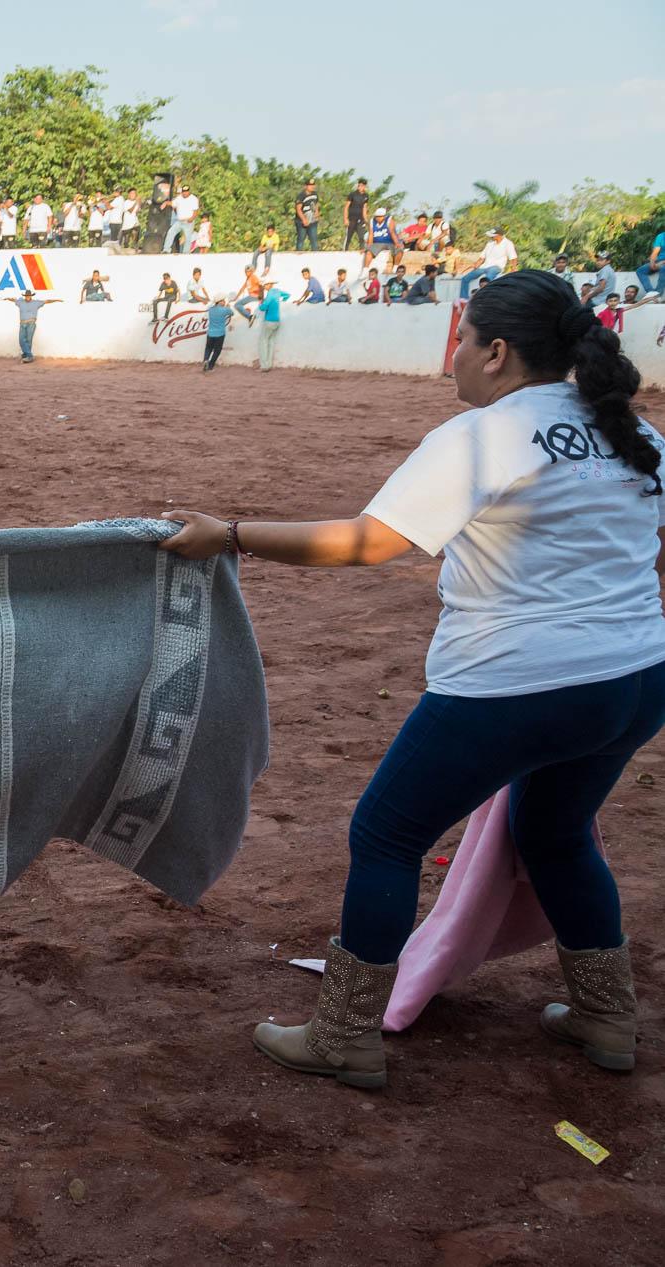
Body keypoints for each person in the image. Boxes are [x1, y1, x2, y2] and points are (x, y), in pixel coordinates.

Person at [160, 269, 663, 1087]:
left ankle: (345, 1034)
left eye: (461, 339)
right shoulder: (631, 433)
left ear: (496, 352)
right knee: (557, 829)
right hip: (636, 676)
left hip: (519, 678)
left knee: (387, 834)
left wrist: (234, 535)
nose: (453, 357)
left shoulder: (481, 437)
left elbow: (368, 543)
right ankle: (608, 1017)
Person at [460, 228, 518, 299]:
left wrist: (513, 268)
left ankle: (482, 296)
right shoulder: (489, 244)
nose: (491, 237)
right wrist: (475, 265)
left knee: (487, 279)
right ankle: (463, 299)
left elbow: (513, 258)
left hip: (496, 267)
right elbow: (482, 258)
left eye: (493, 235)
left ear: (499, 235)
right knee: (465, 279)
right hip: (484, 267)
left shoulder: (508, 244)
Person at [13, 289, 62, 362]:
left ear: (31, 296)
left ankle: (28, 356)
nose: (27, 297)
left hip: (31, 323)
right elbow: (13, 300)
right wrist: (5, 298)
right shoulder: (20, 302)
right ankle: (27, 354)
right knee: (21, 340)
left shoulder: (36, 302)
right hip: (22, 323)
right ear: (25, 296)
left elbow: (47, 301)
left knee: (29, 340)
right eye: (26, 296)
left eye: (29, 296)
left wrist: (57, 300)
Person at [256, 282, 291, 370]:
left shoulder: (270, 294)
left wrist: (260, 304)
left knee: (263, 342)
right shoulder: (277, 291)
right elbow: (287, 295)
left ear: (269, 285)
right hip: (277, 321)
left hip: (269, 321)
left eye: (265, 285)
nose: (264, 287)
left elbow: (263, 307)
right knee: (271, 342)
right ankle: (269, 365)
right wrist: (282, 302)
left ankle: (264, 366)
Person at [165, 182, 199, 253]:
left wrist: (192, 218)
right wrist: (166, 203)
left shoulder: (193, 199)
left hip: (188, 221)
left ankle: (186, 252)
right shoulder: (179, 198)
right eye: (183, 192)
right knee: (170, 232)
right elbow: (173, 203)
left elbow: (196, 211)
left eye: (186, 192)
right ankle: (166, 249)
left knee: (187, 237)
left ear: (189, 192)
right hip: (179, 221)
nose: (184, 193)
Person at [201, 294, 231, 372]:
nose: (224, 302)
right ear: (219, 302)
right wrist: (228, 307)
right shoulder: (225, 310)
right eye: (223, 300)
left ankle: (205, 360)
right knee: (217, 350)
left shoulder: (211, 309)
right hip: (220, 334)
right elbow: (231, 313)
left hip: (210, 333)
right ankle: (210, 366)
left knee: (208, 348)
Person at [637, 226, 665, 296]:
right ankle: (651, 293)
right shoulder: (661, 236)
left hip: (662, 263)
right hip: (659, 261)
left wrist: (662, 263)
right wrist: (652, 263)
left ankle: (658, 294)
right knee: (640, 271)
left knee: (663, 269)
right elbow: (655, 252)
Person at [343, 178, 370, 250]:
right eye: (360, 185)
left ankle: (362, 250)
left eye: (363, 186)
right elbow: (346, 207)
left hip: (360, 220)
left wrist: (366, 220)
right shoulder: (352, 195)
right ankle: (345, 250)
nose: (361, 187)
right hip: (351, 219)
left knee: (362, 237)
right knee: (348, 237)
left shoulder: (366, 196)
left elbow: (364, 208)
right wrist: (345, 219)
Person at [293, 179, 320, 252]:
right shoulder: (301, 196)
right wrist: (304, 219)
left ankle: (315, 256)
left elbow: (316, 203)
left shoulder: (315, 194)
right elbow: (298, 209)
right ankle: (298, 255)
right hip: (302, 222)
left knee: (314, 240)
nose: (312, 187)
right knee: (301, 239)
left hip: (312, 221)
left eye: (313, 185)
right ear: (306, 186)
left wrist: (317, 212)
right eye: (310, 185)